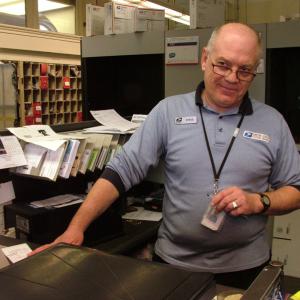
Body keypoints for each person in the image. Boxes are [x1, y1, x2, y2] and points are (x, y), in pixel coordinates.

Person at [30, 23, 300, 289]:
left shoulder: (272, 122)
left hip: (246, 269)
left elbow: (296, 188)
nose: (232, 78)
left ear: (255, 71)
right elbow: (120, 171)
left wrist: (258, 201)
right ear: (205, 59)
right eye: (223, 64)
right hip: (173, 265)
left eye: (244, 70)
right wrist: (76, 228)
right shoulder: (168, 112)